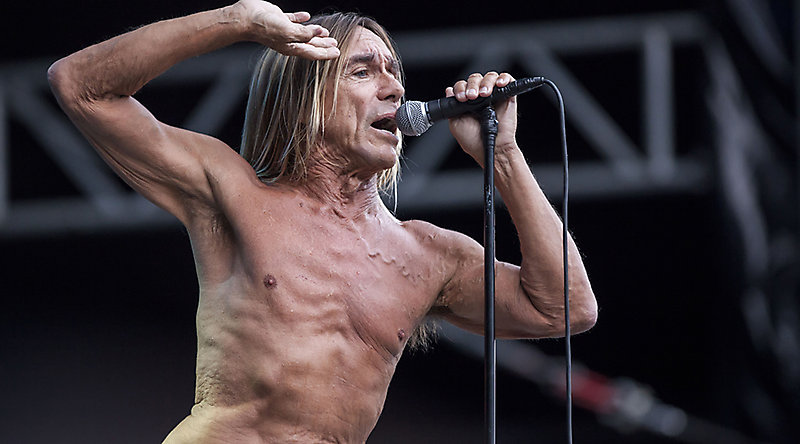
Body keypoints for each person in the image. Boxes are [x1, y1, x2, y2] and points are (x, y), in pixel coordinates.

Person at [47, 1, 597, 442]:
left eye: (394, 73)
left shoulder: (428, 255)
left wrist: (504, 157)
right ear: (306, 94)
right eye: (363, 71)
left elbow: (566, 307)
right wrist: (235, 21)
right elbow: (80, 86)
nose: (394, 88)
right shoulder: (231, 191)